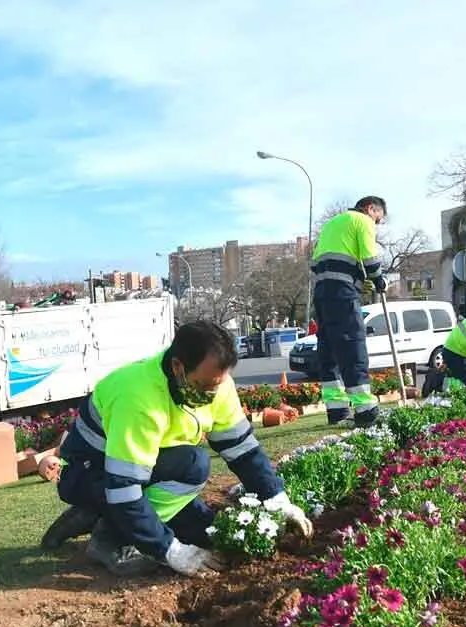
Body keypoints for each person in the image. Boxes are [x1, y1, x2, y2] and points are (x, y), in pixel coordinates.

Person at [39, 320, 314, 576]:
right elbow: (124, 487)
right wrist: (170, 551)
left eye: (216, 386)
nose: (209, 395)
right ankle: (109, 538)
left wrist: (278, 500)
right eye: (202, 385)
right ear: (177, 366)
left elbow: (243, 450)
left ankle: (96, 514)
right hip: (88, 473)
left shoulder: (217, 385)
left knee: (207, 532)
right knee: (194, 464)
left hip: (141, 472)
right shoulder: (139, 398)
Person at [311, 196, 387, 427]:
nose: (377, 224)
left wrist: (357, 280)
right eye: (378, 218)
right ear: (370, 208)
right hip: (342, 294)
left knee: (329, 349)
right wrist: (379, 280)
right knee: (352, 345)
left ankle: (337, 410)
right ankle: (365, 409)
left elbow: (317, 263)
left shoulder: (332, 224)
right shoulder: (362, 220)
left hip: (321, 292)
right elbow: (370, 259)